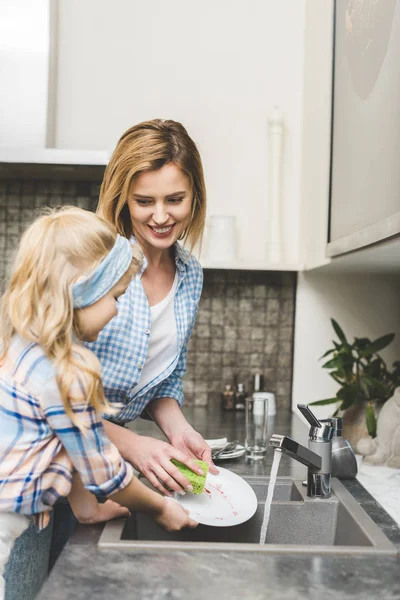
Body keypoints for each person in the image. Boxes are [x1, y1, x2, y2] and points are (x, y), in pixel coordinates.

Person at [0, 207, 197, 600]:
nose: (118, 309)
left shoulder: (24, 348)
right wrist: (160, 508)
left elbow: (62, 444)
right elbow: (106, 473)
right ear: (82, 291)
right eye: (115, 296)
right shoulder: (65, 375)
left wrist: (88, 509)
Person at [89, 118, 218, 496]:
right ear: (123, 198)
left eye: (174, 200)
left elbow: (165, 378)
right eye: (144, 201)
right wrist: (133, 446)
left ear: (195, 196)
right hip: (34, 459)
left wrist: (181, 432)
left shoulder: (190, 275)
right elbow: (42, 388)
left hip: (104, 465)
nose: (161, 217)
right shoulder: (91, 261)